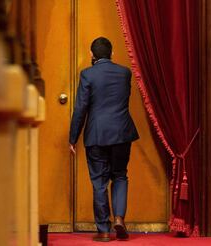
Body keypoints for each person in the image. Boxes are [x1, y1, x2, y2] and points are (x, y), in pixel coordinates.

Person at [69, 37, 139, 242]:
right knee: (120, 176)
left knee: (99, 182)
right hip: (122, 133)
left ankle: (104, 231)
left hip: (97, 135)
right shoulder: (125, 73)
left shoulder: (87, 75)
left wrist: (73, 138)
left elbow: (80, 109)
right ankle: (119, 218)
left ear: (92, 55)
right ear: (112, 53)